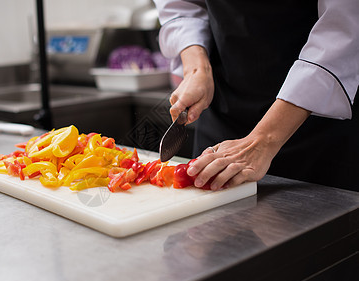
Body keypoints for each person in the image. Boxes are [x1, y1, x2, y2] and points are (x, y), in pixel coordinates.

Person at [152, 0, 359, 192]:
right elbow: (181, 4)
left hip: (318, 130)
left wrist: (264, 140)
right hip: (222, 109)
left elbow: (345, 30)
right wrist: (197, 68)